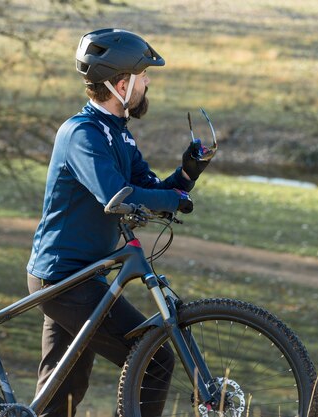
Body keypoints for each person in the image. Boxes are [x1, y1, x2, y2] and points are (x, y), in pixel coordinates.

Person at [26, 28, 212, 417]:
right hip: (63, 280)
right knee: (153, 359)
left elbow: (149, 190)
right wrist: (170, 198)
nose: (147, 83)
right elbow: (117, 195)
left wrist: (187, 174)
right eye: (143, 76)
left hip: (82, 276)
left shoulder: (117, 135)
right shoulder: (82, 134)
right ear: (121, 84)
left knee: (63, 397)